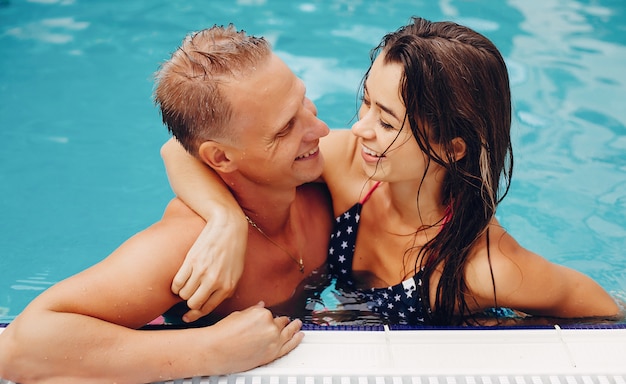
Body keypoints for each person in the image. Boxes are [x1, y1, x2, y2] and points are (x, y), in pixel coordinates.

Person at [161, 17, 622, 326]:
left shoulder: (485, 269)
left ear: (451, 148)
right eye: (365, 103)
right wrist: (224, 222)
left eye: (385, 121)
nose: (358, 129)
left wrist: (501, 332)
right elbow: (181, 149)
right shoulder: (347, 167)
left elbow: (606, 318)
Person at [0, 25, 334, 384]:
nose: (320, 128)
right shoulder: (188, 246)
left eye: (303, 99)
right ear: (220, 157)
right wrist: (208, 351)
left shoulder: (323, 181)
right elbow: (19, 346)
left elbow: (174, 149)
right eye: (285, 129)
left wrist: (229, 219)